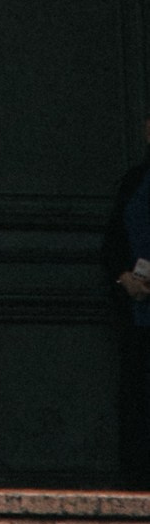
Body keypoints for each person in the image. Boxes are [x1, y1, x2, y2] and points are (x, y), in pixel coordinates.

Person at [104, 111, 150, 488]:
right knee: (137, 407)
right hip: (137, 317)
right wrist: (123, 278)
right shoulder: (135, 180)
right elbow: (113, 241)